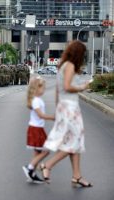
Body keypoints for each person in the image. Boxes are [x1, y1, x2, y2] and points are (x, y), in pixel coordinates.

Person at [41, 40, 92, 187]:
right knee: (74, 141)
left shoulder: (63, 66)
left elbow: (58, 90)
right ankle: (48, 165)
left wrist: (58, 109)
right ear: (78, 53)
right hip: (70, 108)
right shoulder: (69, 66)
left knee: (74, 141)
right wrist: (83, 86)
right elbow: (67, 86)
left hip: (65, 107)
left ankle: (77, 176)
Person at [22, 77, 55, 183]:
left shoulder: (38, 100)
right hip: (36, 129)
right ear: (36, 88)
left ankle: (32, 173)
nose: (44, 90)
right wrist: (53, 117)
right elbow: (40, 115)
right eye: (43, 88)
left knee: (38, 152)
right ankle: (30, 167)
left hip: (37, 128)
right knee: (46, 151)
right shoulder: (36, 101)